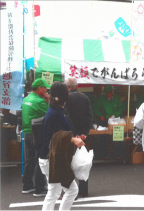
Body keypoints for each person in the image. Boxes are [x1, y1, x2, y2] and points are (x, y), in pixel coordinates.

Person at [39, 82, 85, 211]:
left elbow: (56, 135)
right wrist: (72, 139)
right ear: (64, 97)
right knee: (68, 191)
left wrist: (73, 139)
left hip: (49, 157)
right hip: (52, 159)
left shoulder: (54, 111)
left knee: (55, 192)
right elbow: (56, 137)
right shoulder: (56, 113)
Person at [65, 78, 93, 198]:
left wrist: (74, 134)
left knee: (69, 163)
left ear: (67, 87)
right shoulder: (85, 97)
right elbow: (90, 116)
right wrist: (84, 133)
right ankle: (83, 190)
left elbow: (67, 117)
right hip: (83, 136)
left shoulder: (66, 99)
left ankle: (72, 192)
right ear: (77, 86)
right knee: (83, 162)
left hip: (71, 136)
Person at [21, 78, 50, 197]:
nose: (46, 90)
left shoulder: (26, 99)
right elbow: (49, 114)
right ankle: (39, 188)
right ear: (40, 88)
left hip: (27, 133)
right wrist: (47, 100)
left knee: (29, 160)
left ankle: (27, 186)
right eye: (45, 88)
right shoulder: (39, 101)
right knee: (40, 159)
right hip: (36, 134)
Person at [100, 85, 123, 160]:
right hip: (105, 121)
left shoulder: (116, 98)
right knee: (105, 138)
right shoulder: (102, 99)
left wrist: (115, 115)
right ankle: (106, 155)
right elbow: (96, 108)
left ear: (112, 92)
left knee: (117, 138)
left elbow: (120, 108)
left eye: (109, 92)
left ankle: (118, 155)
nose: (108, 94)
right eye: (106, 93)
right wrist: (100, 115)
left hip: (116, 121)